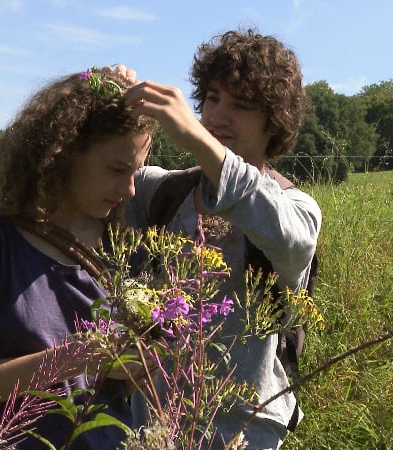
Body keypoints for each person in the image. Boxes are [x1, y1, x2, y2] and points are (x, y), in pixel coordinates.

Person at [0, 68, 156, 449]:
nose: (130, 189)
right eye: (117, 169)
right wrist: (84, 358)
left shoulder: (126, 249)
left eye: (136, 170)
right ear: (64, 153)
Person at [120, 28, 322, 449]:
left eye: (242, 105)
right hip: (152, 419)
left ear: (275, 123)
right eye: (212, 98)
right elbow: (88, 179)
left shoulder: (294, 207)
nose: (217, 116)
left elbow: (291, 242)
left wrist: (196, 138)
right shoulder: (164, 192)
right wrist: (110, 102)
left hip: (244, 428)